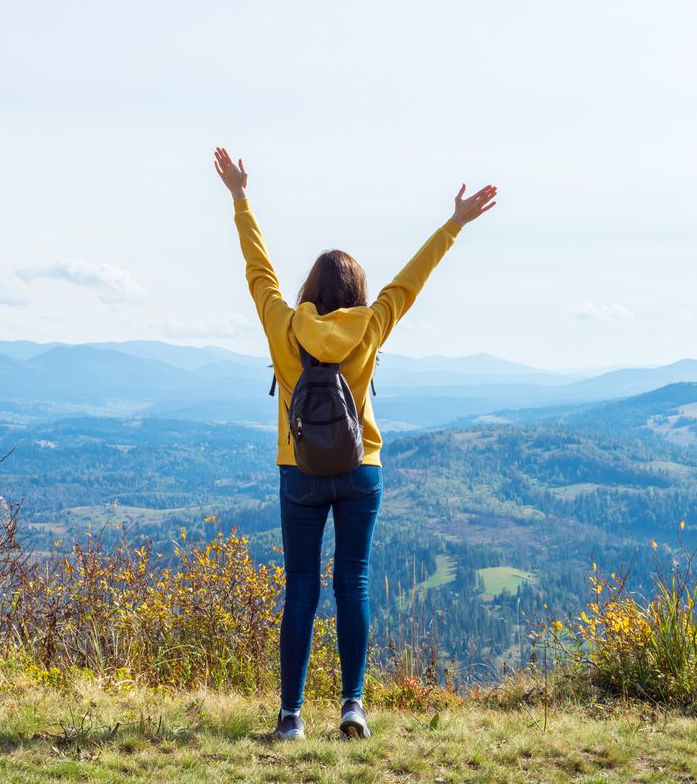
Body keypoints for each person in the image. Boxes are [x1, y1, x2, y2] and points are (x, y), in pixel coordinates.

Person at [213, 146, 497, 741]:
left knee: (300, 589)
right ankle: (352, 705)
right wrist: (455, 224)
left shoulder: (283, 324)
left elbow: (257, 268)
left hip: (298, 471)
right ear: (360, 290)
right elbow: (412, 280)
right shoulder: (372, 324)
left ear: (310, 289)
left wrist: (240, 196)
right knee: (354, 583)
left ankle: (290, 716)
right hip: (361, 467)